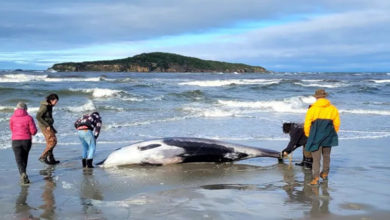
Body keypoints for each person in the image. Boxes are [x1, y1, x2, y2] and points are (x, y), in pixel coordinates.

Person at [304, 89, 340, 185]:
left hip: (315, 135)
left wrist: (308, 135)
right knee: (327, 156)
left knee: (316, 158)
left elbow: (307, 124)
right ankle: (325, 174)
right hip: (328, 134)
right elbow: (337, 123)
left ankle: (315, 178)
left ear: (316, 97)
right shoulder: (333, 108)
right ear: (325, 97)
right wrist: (332, 132)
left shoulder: (312, 109)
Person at [10, 102, 37, 185]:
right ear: (25, 109)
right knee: (24, 157)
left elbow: (12, 129)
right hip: (26, 140)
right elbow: (33, 131)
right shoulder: (29, 118)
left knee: (18, 159)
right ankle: (24, 174)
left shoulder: (12, 118)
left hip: (15, 140)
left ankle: (22, 174)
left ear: (17, 109)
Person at [36, 94, 59, 165]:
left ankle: (51, 159)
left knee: (50, 142)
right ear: (51, 100)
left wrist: (52, 127)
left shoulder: (50, 106)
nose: (56, 103)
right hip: (44, 126)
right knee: (53, 142)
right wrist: (47, 125)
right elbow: (38, 117)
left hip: (48, 125)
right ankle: (43, 157)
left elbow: (48, 117)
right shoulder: (45, 106)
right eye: (56, 101)